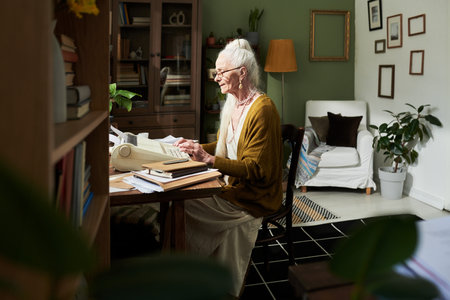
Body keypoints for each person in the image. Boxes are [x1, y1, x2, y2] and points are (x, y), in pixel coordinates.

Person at [174, 39, 282, 298]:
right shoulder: (234, 104)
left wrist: (208, 160)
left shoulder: (262, 109)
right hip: (231, 187)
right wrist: (197, 147)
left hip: (253, 198)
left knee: (182, 204)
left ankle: (185, 270)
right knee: (182, 199)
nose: (216, 77)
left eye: (221, 72)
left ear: (242, 73)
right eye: (216, 72)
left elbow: (256, 169)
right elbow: (226, 146)